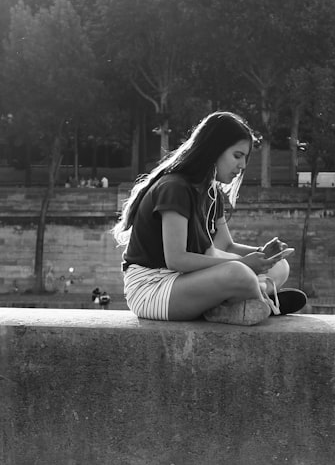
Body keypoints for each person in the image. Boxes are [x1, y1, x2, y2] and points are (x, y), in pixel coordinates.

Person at [111, 111, 306, 325]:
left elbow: (227, 246)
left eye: (245, 158)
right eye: (237, 155)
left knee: (280, 267)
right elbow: (176, 259)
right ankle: (262, 301)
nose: (242, 167)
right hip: (153, 288)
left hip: (187, 281)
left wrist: (262, 255)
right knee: (239, 273)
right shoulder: (174, 188)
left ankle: (248, 302)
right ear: (214, 149)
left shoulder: (212, 192)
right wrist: (244, 264)